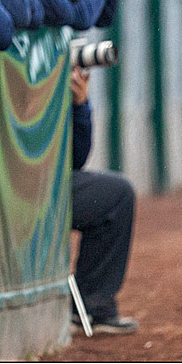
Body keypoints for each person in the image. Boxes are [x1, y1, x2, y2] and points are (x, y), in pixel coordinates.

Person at [70, 67, 138, 334]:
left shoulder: (52, 85)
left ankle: (90, 306)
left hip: (48, 187)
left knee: (116, 195)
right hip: (8, 189)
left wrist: (80, 106)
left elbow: (76, 159)